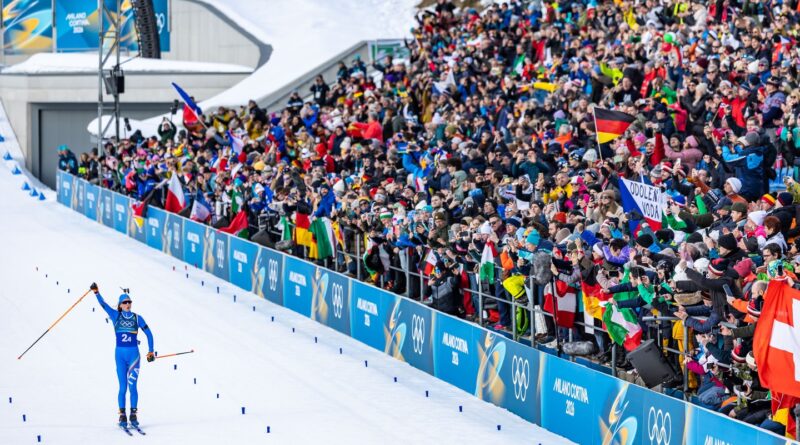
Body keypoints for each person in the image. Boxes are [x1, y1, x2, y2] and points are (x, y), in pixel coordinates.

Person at [90, 282, 155, 429]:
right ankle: (122, 415)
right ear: (120, 305)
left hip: (134, 357)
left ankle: (133, 414)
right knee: (123, 387)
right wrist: (96, 292)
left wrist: (151, 350)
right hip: (120, 356)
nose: (128, 304)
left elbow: (149, 333)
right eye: (125, 302)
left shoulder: (138, 318)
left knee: (133, 386)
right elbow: (103, 304)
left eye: (129, 302)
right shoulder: (115, 315)